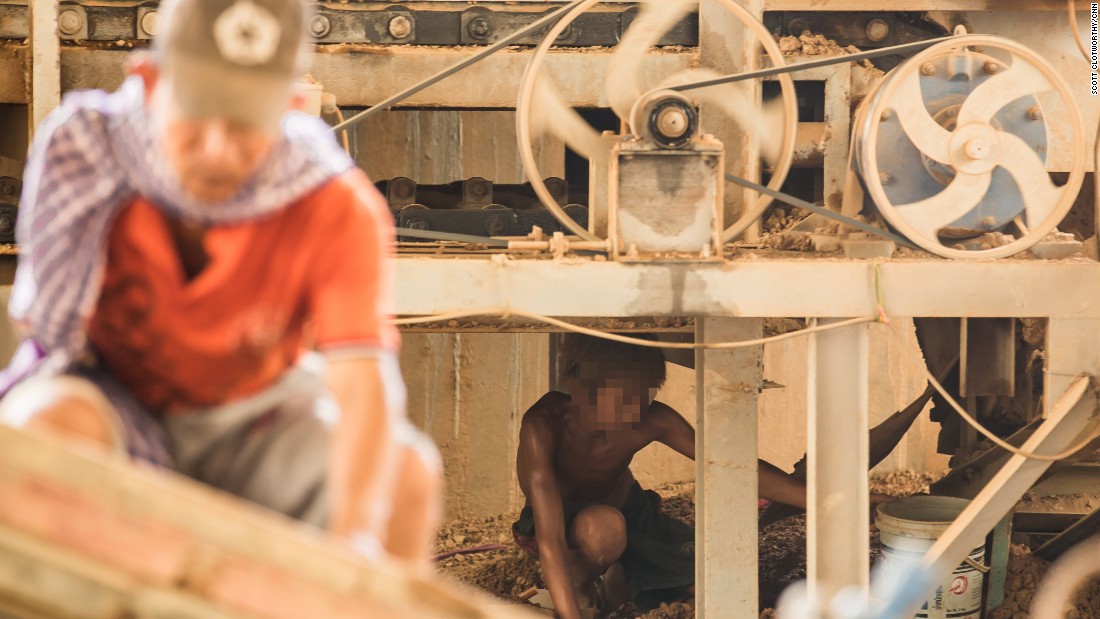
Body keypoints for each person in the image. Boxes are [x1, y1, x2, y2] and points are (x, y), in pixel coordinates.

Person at [0, 0, 440, 568]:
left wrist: (354, 543)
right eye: (196, 114)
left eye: (244, 125)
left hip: (254, 416)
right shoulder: (86, 152)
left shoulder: (333, 200)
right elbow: (51, 342)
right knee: (46, 436)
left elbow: (362, 381)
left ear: (294, 108)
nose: (216, 151)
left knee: (405, 476)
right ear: (149, 82)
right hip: (116, 398)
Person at [514, 334, 830, 618]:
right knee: (604, 531)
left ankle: (623, 578)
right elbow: (550, 536)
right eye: (622, 401)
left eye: (643, 400)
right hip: (565, 525)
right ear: (581, 389)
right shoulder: (543, 423)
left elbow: (732, 465)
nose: (634, 413)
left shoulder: (653, 419)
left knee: (719, 578)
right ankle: (585, 585)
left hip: (633, 516)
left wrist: (826, 502)